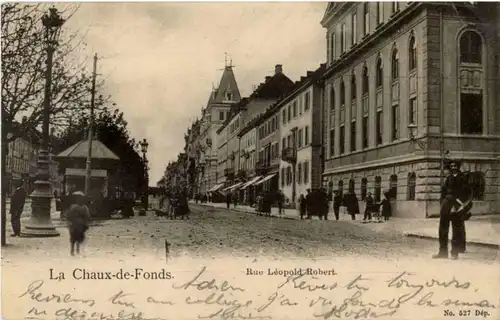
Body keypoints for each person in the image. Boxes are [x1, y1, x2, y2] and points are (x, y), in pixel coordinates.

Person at [433, 159, 469, 260]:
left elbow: (466, 193)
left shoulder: (463, 178)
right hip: (446, 205)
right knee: (443, 229)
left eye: (455, 166)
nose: (453, 168)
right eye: (451, 166)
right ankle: (442, 252)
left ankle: (454, 253)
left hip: (457, 205)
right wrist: (442, 203)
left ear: (458, 167)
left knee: (456, 230)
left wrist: (460, 206)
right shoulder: (448, 178)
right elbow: (443, 192)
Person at [66, 191, 91, 256]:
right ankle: (77, 250)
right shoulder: (85, 207)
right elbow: (88, 216)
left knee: (73, 237)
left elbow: (68, 215)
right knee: (79, 237)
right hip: (81, 224)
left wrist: (69, 222)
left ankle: (72, 250)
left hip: (74, 224)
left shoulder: (72, 206)